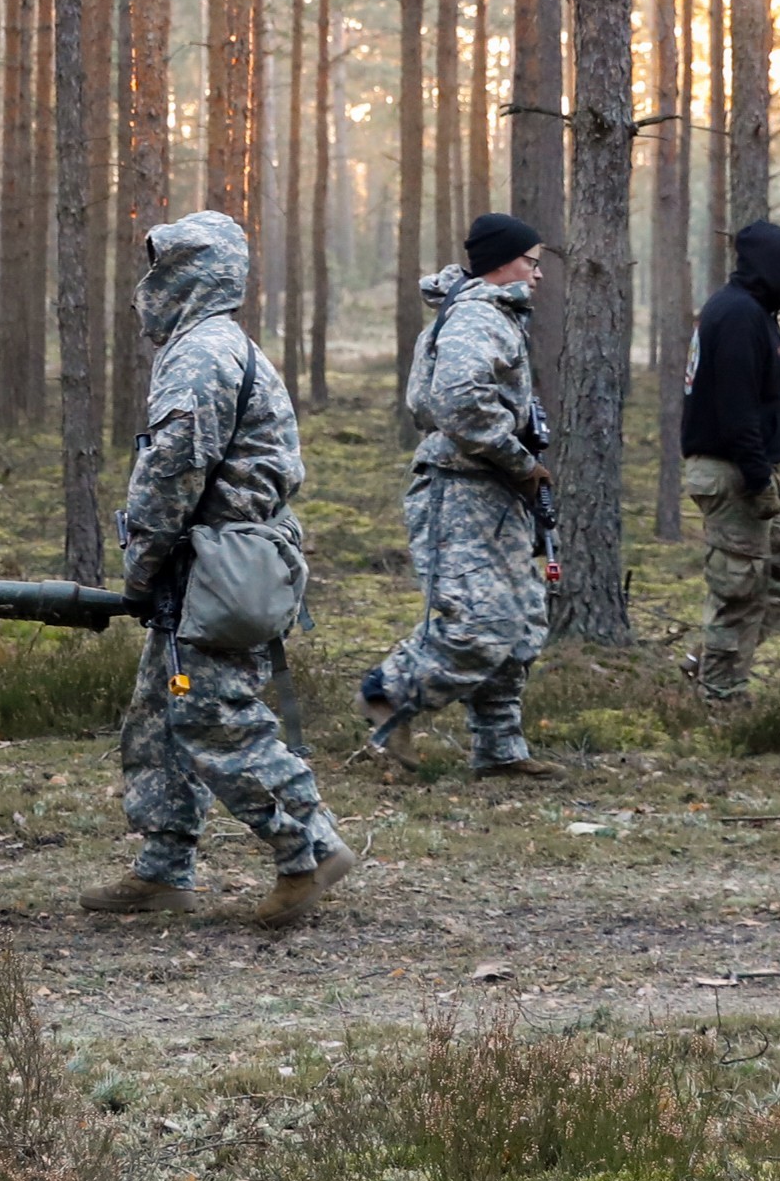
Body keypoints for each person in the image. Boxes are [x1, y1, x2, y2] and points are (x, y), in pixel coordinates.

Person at [81, 211, 353, 928]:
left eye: (160, 270)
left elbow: (173, 467)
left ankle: (308, 846)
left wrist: (140, 561)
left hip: (214, 561)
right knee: (158, 715)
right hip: (214, 560)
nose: (147, 286)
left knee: (211, 712)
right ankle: (163, 867)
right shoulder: (216, 344)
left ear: (187, 275)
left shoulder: (202, 351)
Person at [357, 212, 562, 779]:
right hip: (463, 488)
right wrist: (519, 461)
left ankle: (498, 749)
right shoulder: (478, 316)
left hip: (490, 487)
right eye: (531, 262)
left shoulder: (493, 315)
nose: (538, 275)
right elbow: (460, 402)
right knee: (479, 623)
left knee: (520, 620)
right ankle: (390, 693)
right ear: (502, 263)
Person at [680, 220, 780, 702]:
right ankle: (720, 696)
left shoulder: (751, 313)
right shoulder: (736, 316)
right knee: (739, 588)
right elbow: (736, 410)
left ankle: (710, 661)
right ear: (771, 268)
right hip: (733, 471)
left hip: (748, 469)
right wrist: (758, 479)